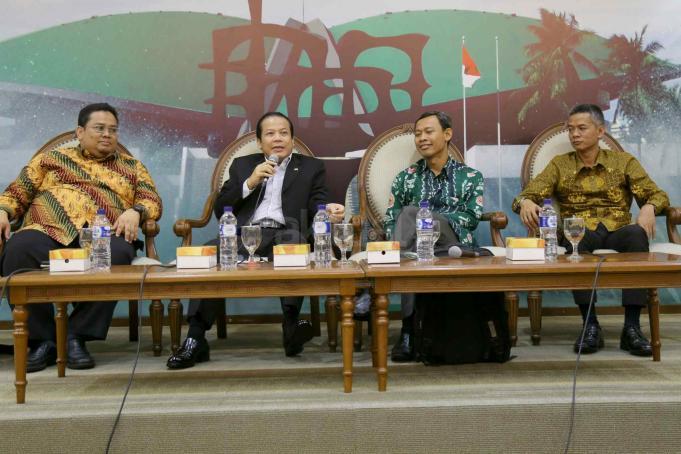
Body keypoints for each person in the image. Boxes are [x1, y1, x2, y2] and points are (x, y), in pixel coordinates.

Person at [167, 111, 344, 369]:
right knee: (210, 251)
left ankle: (291, 326)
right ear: (260, 142)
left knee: (293, 243)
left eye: (284, 133)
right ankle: (195, 338)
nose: (278, 138)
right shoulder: (242, 165)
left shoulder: (311, 167)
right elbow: (221, 209)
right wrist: (250, 182)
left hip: (287, 232)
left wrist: (328, 210)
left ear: (292, 140)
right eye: (270, 134)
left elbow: (318, 202)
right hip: (245, 233)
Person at [0, 103, 162, 372]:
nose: (107, 135)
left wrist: (136, 211)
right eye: (99, 128)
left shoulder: (132, 167)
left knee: (119, 254)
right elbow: (17, 192)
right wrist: (3, 211)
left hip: (103, 230)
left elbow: (152, 200)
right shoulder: (50, 160)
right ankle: (42, 340)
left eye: (113, 130)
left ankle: (75, 336)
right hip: (48, 227)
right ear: (80, 131)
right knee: (19, 249)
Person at [512, 103, 670, 356]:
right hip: (580, 230)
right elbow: (524, 196)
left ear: (600, 131)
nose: (574, 134)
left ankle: (631, 328)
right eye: (570, 129)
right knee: (575, 236)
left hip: (618, 229)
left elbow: (657, 194)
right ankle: (590, 325)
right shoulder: (560, 165)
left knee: (636, 235)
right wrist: (526, 202)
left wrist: (649, 207)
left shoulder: (624, 162)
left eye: (581, 128)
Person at [385, 111, 484, 362]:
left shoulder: (470, 176)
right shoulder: (406, 178)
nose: (421, 138)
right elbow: (390, 219)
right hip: (416, 248)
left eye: (428, 132)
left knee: (413, 214)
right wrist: (412, 233)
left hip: (453, 244)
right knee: (412, 248)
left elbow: (472, 218)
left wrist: (430, 220)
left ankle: (405, 328)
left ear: (447, 134)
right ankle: (409, 331)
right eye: (418, 134)